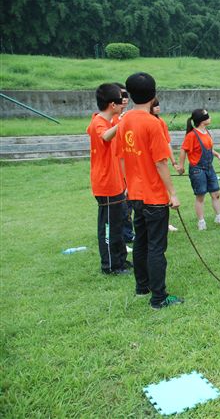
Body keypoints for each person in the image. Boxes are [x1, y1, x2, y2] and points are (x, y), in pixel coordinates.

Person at [115, 72, 183, 310]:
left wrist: (127, 183)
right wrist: (172, 193)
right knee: (156, 247)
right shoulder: (153, 124)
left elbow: (121, 157)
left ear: (130, 95)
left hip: (134, 194)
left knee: (142, 242)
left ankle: (142, 287)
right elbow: (160, 162)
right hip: (153, 196)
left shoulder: (123, 121)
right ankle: (159, 297)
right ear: (154, 95)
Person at [86, 83, 130, 275]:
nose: (124, 104)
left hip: (116, 182)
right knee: (109, 229)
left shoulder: (110, 121)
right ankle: (110, 266)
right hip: (105, 184)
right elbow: (104, 137)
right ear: (112, 104)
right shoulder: (98, 122)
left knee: (119, 224)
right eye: (121, 101)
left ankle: (121, 260)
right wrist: (122, 123)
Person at [177, 109, 220, 229]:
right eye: (207, 116)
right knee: (200, 196)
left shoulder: (207, 132)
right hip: (197, 169)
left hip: (209, 168)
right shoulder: (192, 135)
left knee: (216, 193)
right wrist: (181, 166)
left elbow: (208, 148)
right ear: (202, 120)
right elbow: (183, 150)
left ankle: (219, 217)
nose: (210, 118)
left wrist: (217, 154)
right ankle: (201, 222)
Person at [151, 99, 179, 232]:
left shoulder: (160, 122)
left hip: (161, 163)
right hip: (150, 166)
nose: (157, 108)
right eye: (154, 106)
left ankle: (165, 223)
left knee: (164, 194)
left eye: (158, 105)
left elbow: (167, 143)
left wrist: (174, 162)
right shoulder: (149, 122)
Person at [113, 82, 135, 244]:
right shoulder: (112, 119)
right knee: (121, 207)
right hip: (117, 169)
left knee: (128, 206)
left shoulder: (127, 117)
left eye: (126, 96)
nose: (124, 99)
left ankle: (127, 234)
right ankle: (122, 235)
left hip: (130, 165)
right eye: (121, 96)